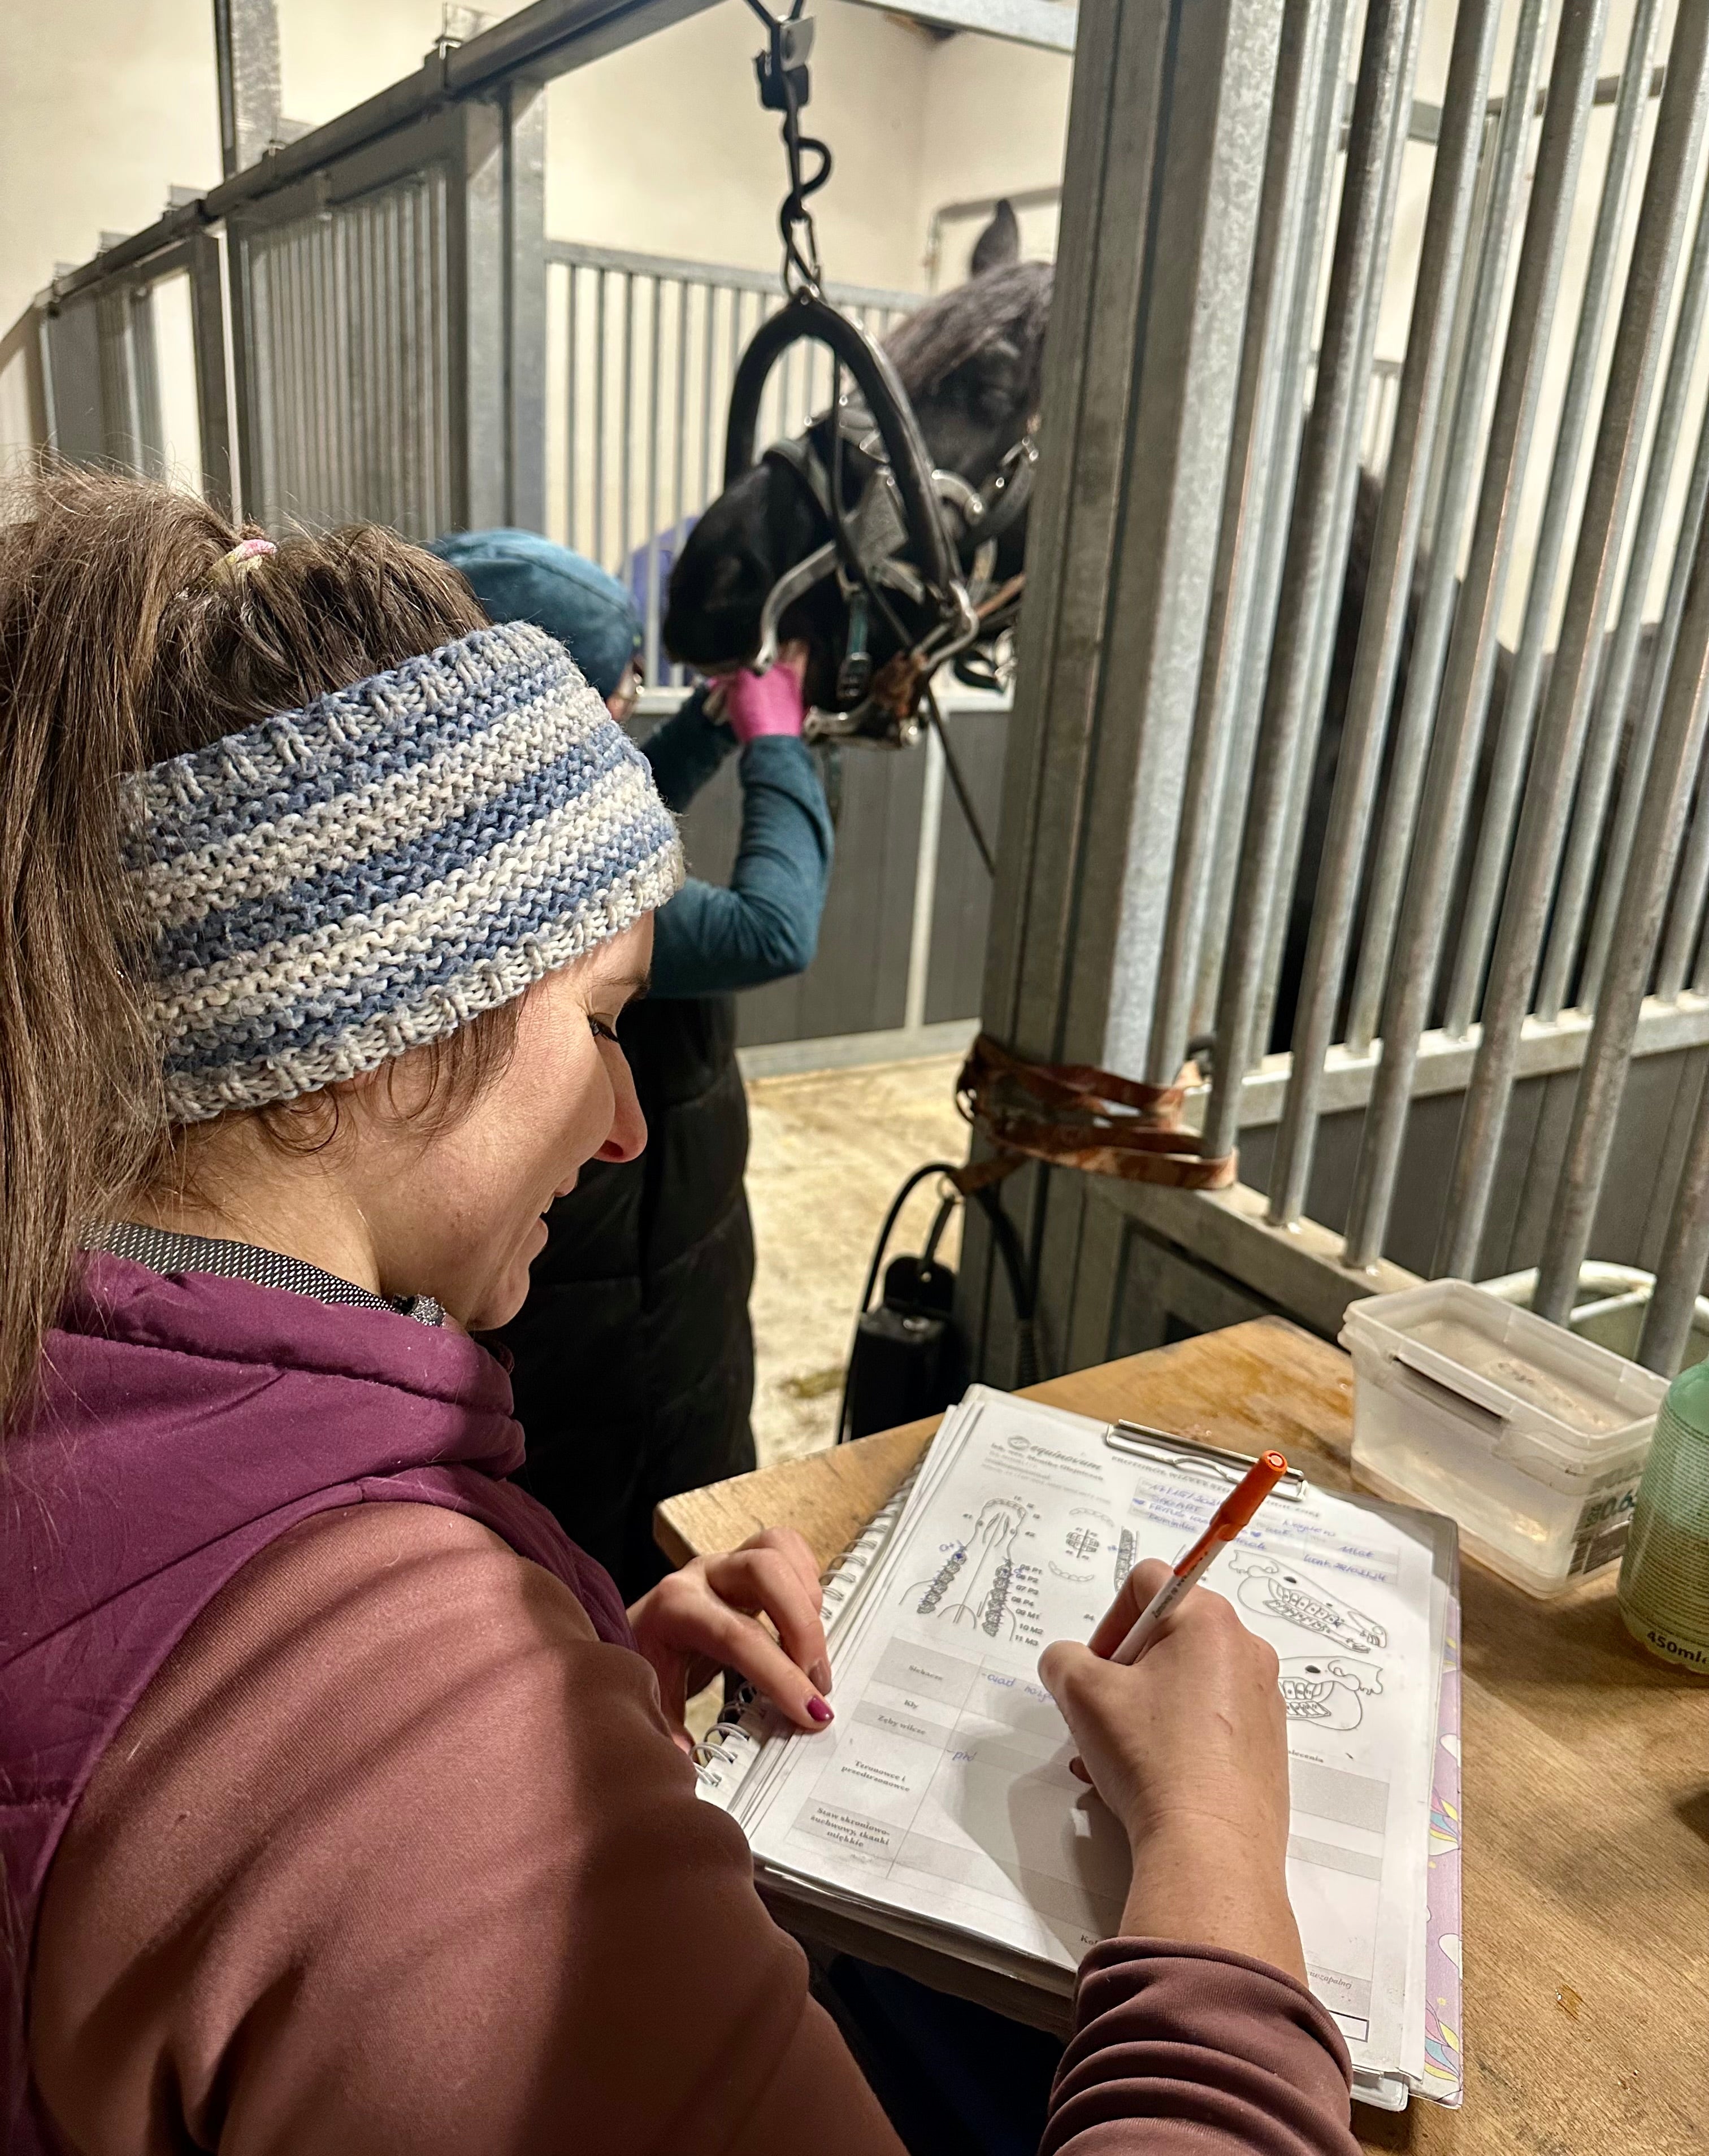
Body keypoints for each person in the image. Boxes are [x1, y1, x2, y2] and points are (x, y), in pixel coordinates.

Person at [0, 466, 1361, 2156]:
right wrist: (1219, 1861)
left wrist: (588, 1689)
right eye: (601, 1020)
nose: (625, 1121)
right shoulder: (393, 1736)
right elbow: (355, 1821)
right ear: (397, 1016)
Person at [430, 529, 830, 1597]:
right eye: (614, 702)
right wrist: (778, 747)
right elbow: (771, 930)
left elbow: (625, 801)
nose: (625, 723)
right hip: (621, 1322)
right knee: (631, 1550)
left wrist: (705, 728)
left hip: (635, 1274)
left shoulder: (465, 820)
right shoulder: (556, 880)